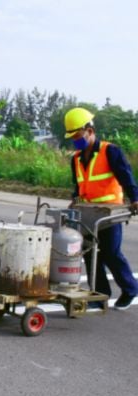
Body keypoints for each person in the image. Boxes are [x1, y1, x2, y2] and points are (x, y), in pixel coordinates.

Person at [65, 107, 138, 310]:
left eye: (78, 135)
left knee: (110, 252)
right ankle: (100, 295)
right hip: (87, 213)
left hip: (109, 213)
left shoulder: (110, 151)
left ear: (90, 130)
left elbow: (126, 176)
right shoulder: (76, 158)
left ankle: (131, 289)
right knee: (90, 254)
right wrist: (74, 200)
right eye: (72, 137)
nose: (76, 140)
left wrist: (135, 198)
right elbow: (78, 185)